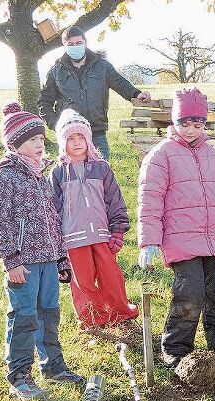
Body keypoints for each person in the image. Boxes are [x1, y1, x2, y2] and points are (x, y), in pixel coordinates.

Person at [138, 88, 215, 367]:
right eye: (184, 124)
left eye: (197, 125)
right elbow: (150, 199)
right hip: (181, 240)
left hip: (213, 241)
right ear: (174, 122)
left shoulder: (213, 157)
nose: (190, 130)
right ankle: (176, 350)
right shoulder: (161, 155)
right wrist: (149, 241)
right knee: (190, 293)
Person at [0, 103, 84, 401]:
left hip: (48, 261)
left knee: (50, 315)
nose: (41, 145)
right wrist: (11, 261)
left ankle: (53, 366)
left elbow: (53, 219)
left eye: (42, 139)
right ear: (15, 144)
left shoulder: (40, 175)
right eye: (33, 140)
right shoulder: (2, 177)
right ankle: (19, 376)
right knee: (24, 317)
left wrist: (61, 258)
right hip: (23, 264)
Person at [50, 109, 138, 330]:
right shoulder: (58, 173)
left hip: (101, 234)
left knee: (111, 276)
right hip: (73, 237)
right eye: (71, 138)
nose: (77, 142)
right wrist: (57, 239)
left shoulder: (102, 168)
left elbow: (115, 200)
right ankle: (92, 318)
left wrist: (117, 231)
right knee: (83, 281)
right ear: (63, 142)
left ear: (89, 139)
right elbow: (53, 208)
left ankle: (120, 312)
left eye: (81, 137)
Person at [38, 26, 151, 160]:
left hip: (97, 134)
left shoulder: (102, 66)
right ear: (65, 46)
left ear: (85, 43)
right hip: (70, 136)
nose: (75, 46)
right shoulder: (56, 71)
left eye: (79, 43)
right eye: (71, 44)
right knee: (71, 178)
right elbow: (44, 102)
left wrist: (136, 94)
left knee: (101, 176)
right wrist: (56, 123)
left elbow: (119, 83)